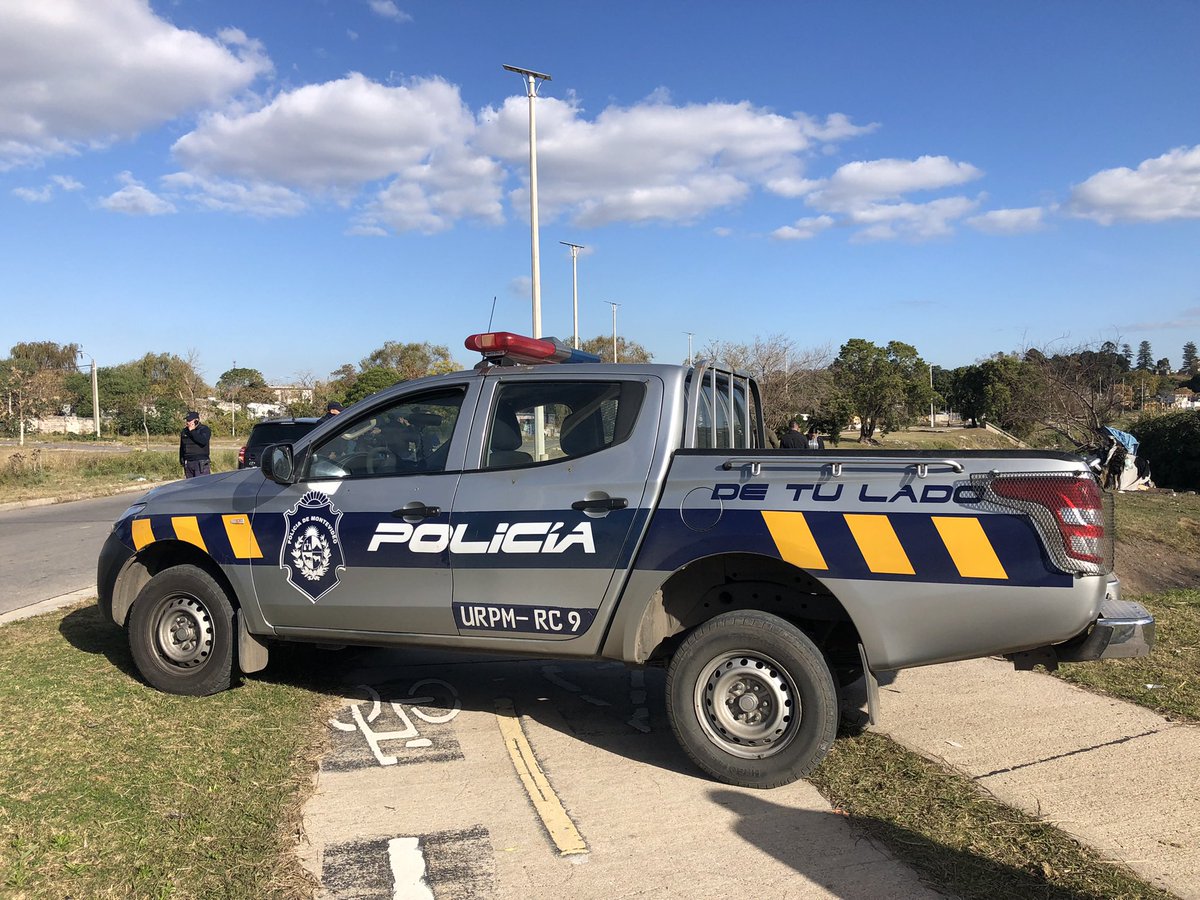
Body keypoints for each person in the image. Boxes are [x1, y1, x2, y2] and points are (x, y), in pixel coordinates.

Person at [179, 411, 211, 478]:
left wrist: (192, 431)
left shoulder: (204, 429)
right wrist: (182, 460)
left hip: (201, 462)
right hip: (188, 462)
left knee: (201, 483)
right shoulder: (184, 431)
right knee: (190, 483)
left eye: (190, 420)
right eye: (187, 420)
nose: (188, 422)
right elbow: (182, 447)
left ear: (196, 421)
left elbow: (203, 441)